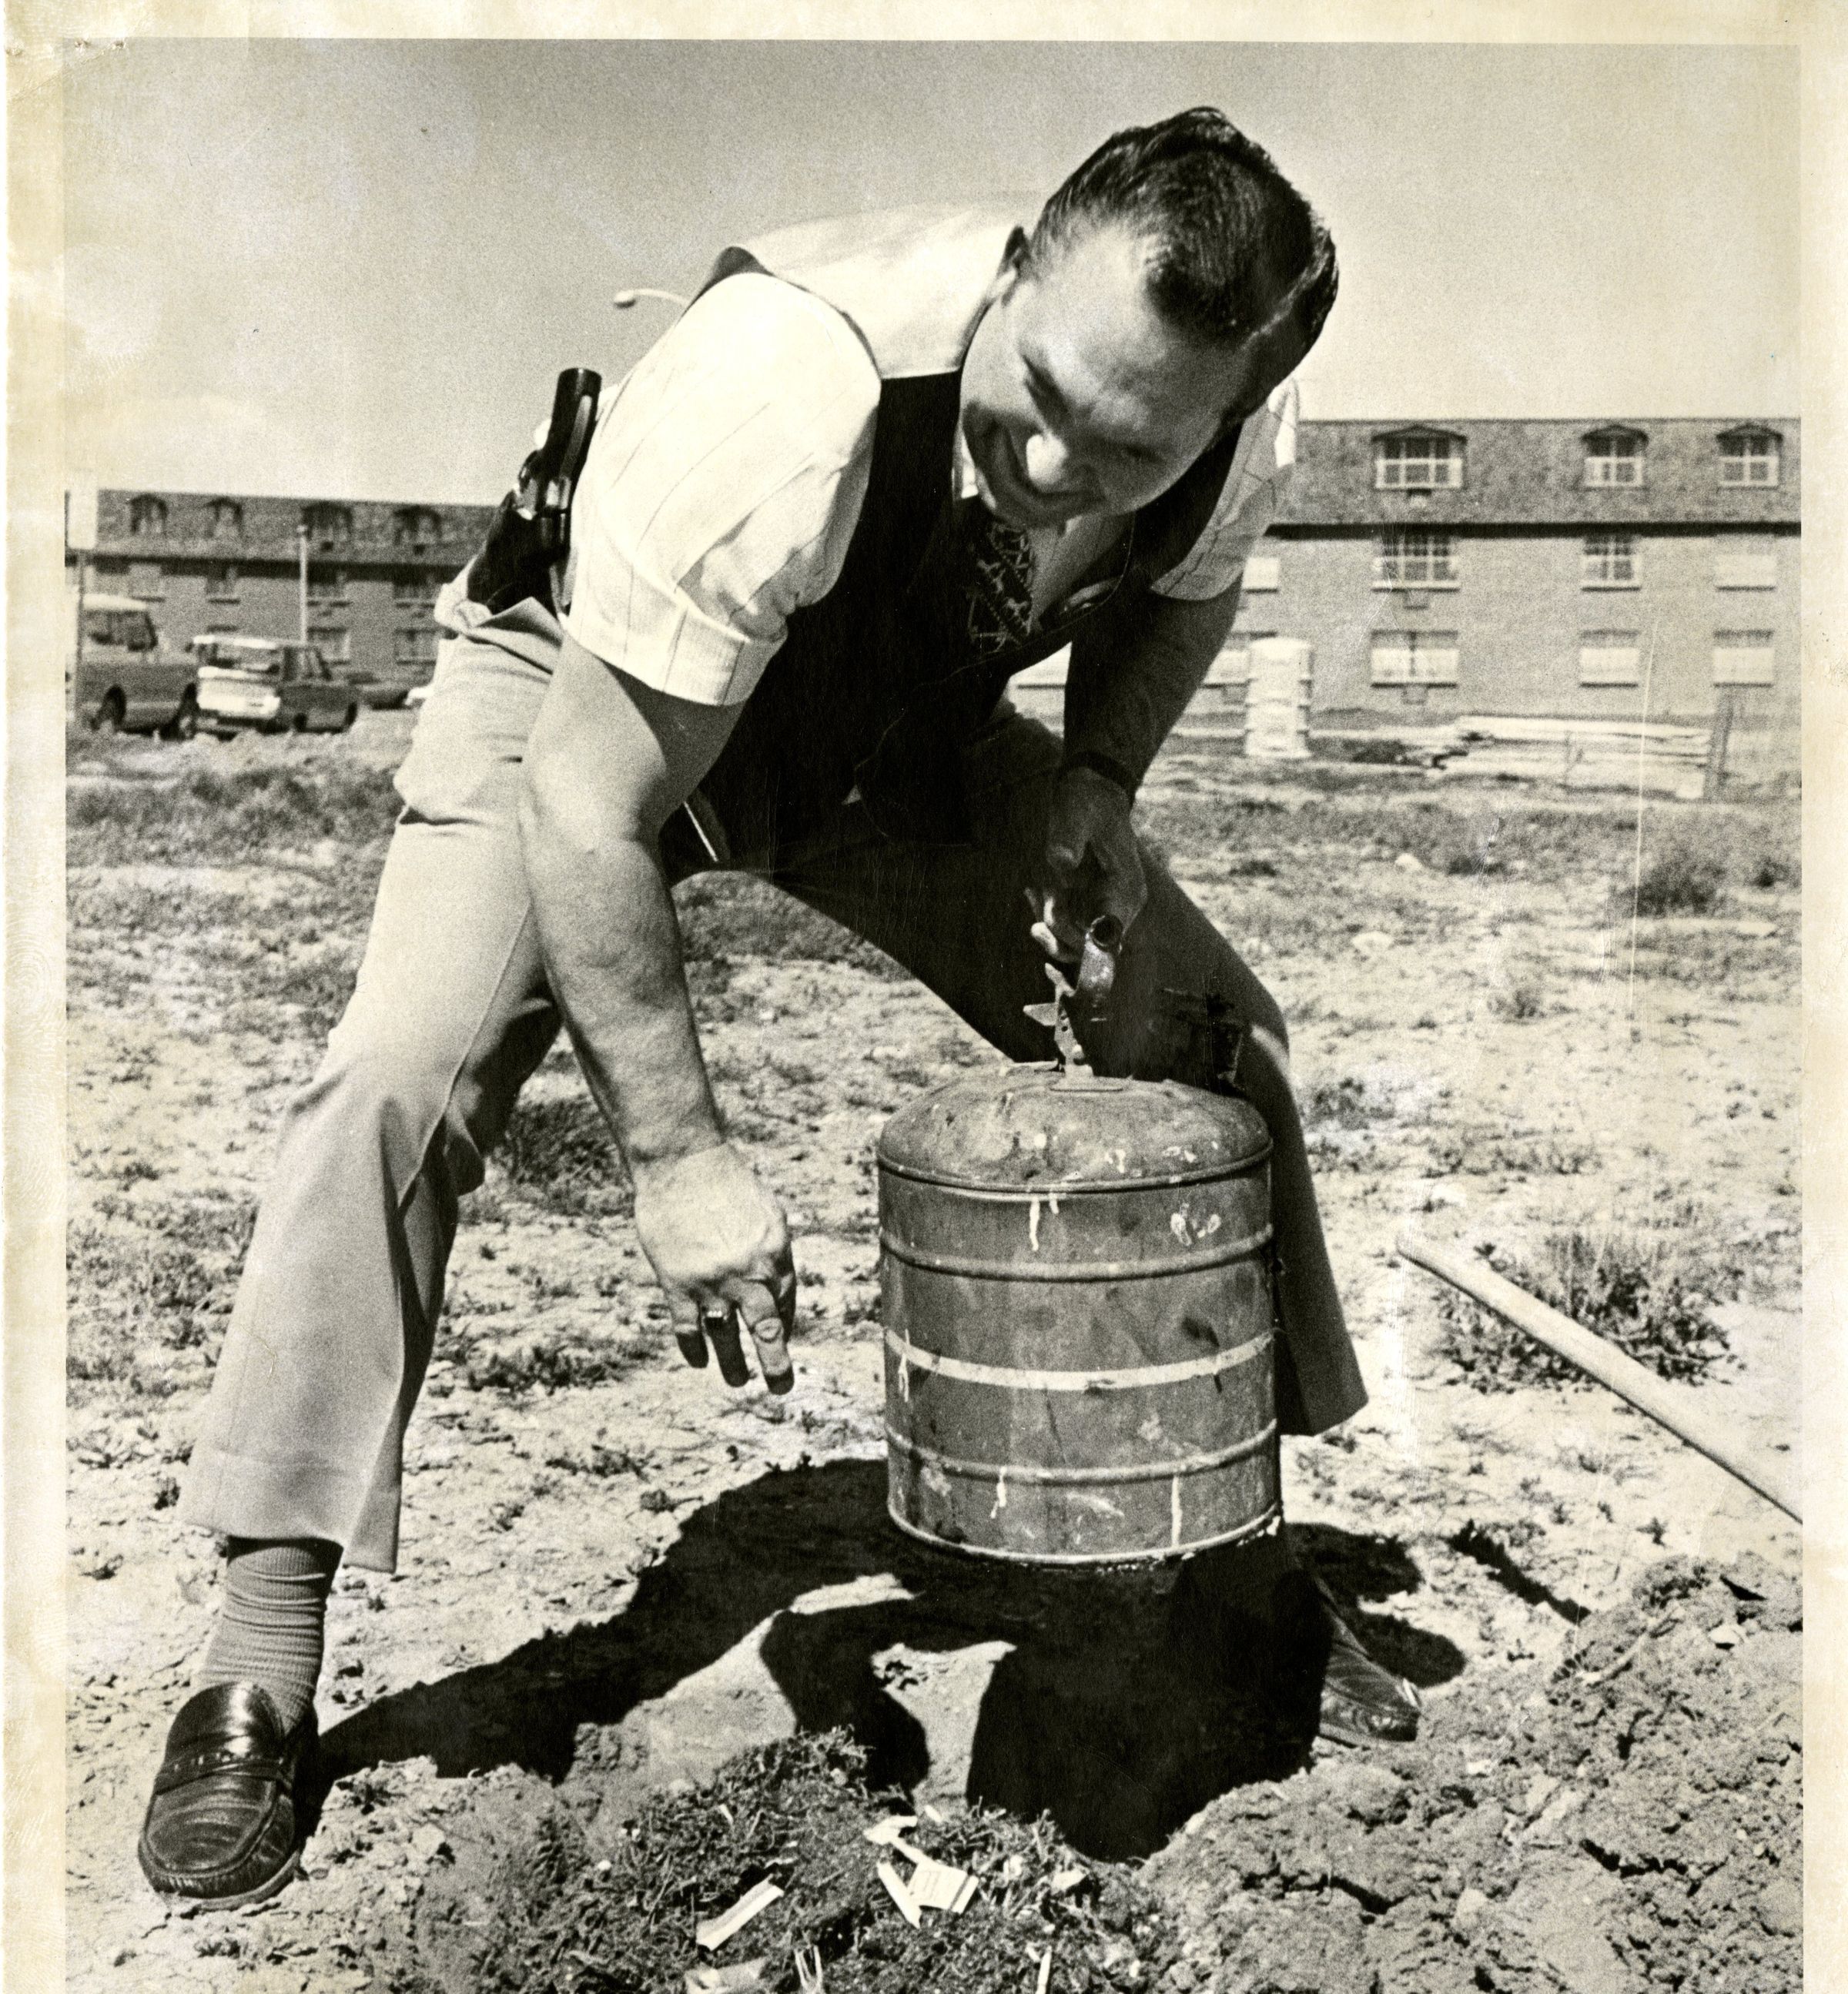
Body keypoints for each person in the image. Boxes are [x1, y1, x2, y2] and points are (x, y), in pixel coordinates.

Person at [138, 106, 1419, 1909]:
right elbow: (589, 804)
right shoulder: (784, 391)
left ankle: (1238, 1574)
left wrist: (1096, 783)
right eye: (1039, 392)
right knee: (394, 1081)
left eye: (1128, 447)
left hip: (886, 737)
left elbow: (1180, 601)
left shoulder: (1237, 423)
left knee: (1215, 1040)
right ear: (1016, 268)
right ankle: (256, 1657)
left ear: (1225, 411)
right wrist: (678, 1156)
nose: (1056, 462)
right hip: (588, 708)